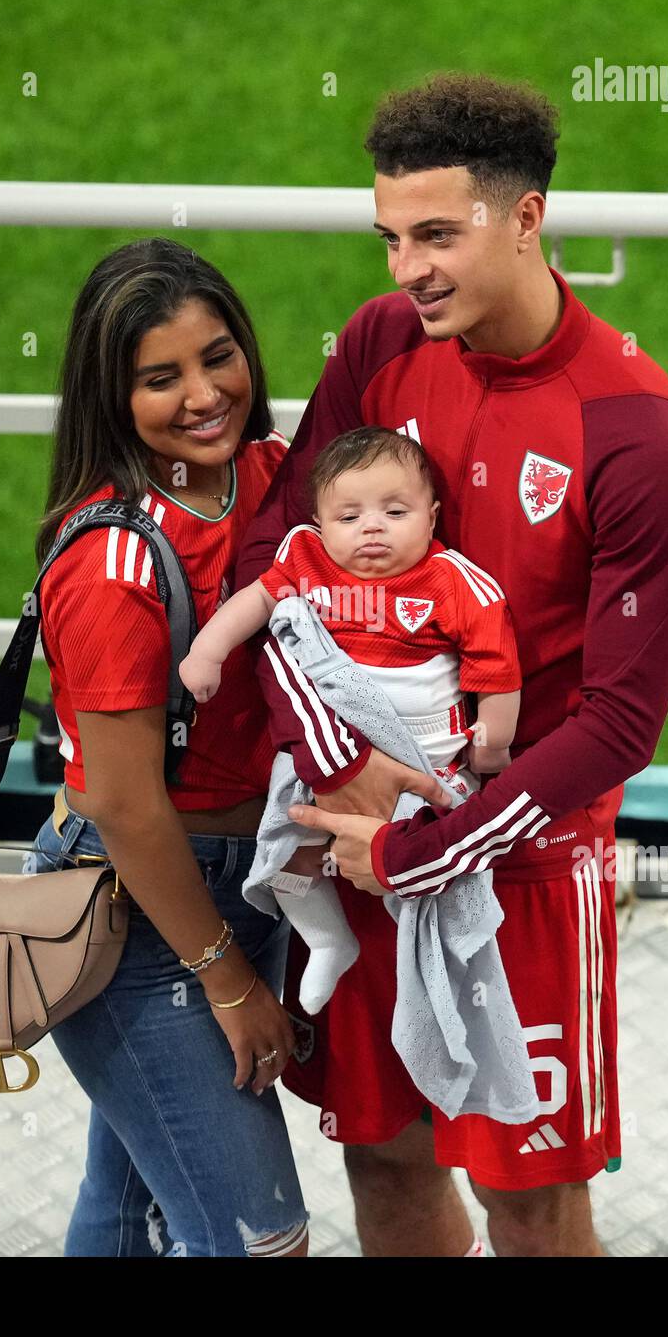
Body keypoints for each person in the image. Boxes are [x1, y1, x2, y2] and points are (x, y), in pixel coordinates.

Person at [233, 72, 668, 1257]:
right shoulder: (381, 342)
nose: (408, 269)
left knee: (531, 1205)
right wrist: (346, 772)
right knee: (382, 1165)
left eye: (438, 236)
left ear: (528, 216)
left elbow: (617, 722)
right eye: (392, 237)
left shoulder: (641, 436)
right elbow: (278, 556)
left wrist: (426, 840)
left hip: (525, 864)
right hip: (358, 821)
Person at [20, 237, 332, 1258]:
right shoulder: (110, 559)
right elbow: (125, 804)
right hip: (139, 910)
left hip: (250, 882)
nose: (204, 393)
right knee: (255, 1235)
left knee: (130, 1208)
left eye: (219, 354)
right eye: (161, 377)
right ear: (111, 396)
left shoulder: (273, 477)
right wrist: (227, 979)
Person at [179, 425, 521, 1015]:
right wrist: (208, 650)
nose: (372, 527)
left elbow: (496, 669)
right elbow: (256, 603)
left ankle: (436, 959)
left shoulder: (456, 581)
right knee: (287, 855)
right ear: (318, 522)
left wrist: (493, 746)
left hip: (426, 757)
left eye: (395, 511)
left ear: (432, 517)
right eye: (349, 516)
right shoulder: (306, 560)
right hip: (324, 754)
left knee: (429, 864)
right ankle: (327, 938)